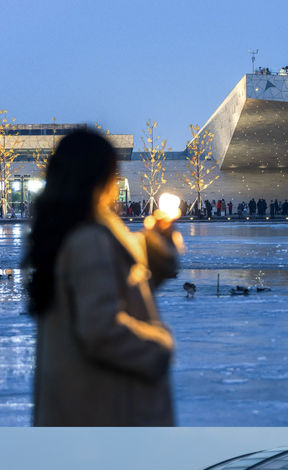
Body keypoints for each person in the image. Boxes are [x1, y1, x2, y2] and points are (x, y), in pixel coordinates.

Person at [25, 129, 180, 426]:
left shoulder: (67, 233)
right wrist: (157, 349)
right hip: (105, 408)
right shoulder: (89, 240)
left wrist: (155, 241)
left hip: (79, 405)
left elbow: (126, 288)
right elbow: (100, 330)